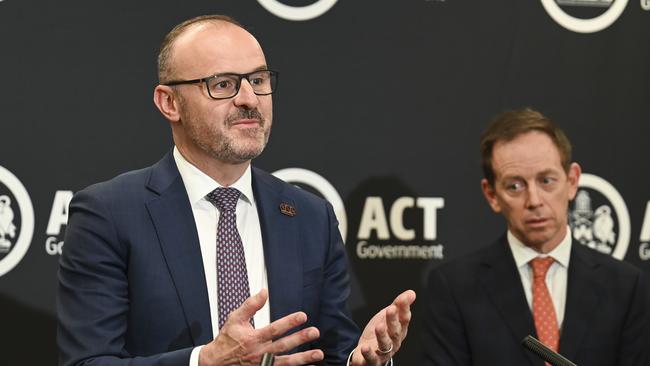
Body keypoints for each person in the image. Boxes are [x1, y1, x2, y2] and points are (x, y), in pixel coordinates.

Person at [57, 14, 415, 366]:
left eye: (258, 80)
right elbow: (86, 362)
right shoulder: (109, 214)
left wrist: (362, 362)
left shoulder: (310, 217)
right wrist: (204, 361)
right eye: (223, 84)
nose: (250, 99)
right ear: (169, 102)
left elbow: (332, 354)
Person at [420, 108, 649, 365]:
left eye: (546, 180)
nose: (534, 200)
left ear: (572, 181)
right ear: (491, 195)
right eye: (514, 186)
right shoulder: (454, 287)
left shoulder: (626, 287)